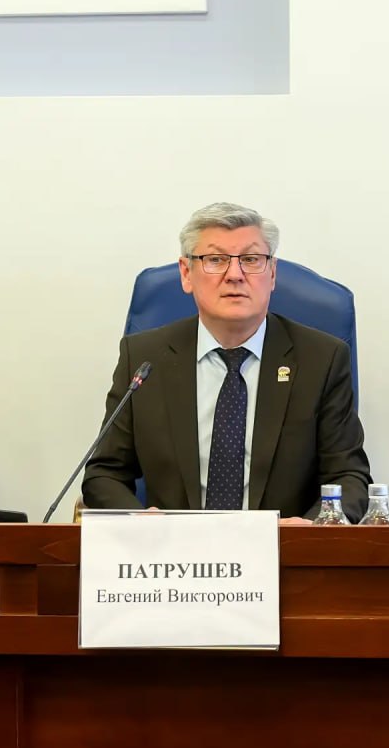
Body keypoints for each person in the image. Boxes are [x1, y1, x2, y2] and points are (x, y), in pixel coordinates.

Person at [81, 202, 372, 523]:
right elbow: (104, 473)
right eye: (215, 260)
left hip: (281, 547)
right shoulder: (145, 358)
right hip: (173, 548)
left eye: (251, 260)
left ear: (272, 274)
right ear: (186, 273)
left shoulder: (321, 359)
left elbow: (349, 476)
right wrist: (140, 521)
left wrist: (311, 528)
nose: (235, 275)